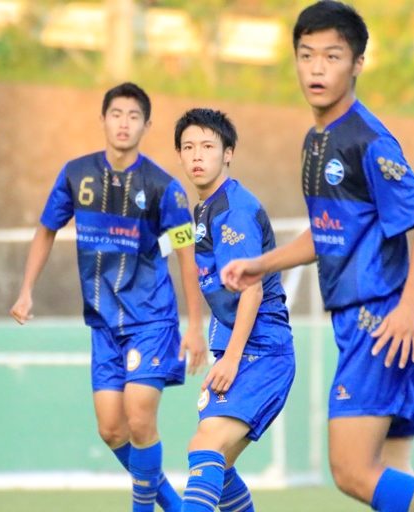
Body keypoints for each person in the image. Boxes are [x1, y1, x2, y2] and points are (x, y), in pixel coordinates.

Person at [221, 2, 414, 511]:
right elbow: (328, 232)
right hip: (367, 322)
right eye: (307, 55)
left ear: (357, 64)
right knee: (392, 476)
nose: (317, 68)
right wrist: (262, 264)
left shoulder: (368, 141)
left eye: (332, 56)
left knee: (351, 471)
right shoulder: (316, 141)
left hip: (382, 322)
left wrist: (408, 306)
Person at [10, 82, 207, 512]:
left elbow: (186, 253)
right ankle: (176, 507)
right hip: (103, 323)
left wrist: (195, 325)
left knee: (139, 416)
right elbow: (46, 229)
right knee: (112, 430)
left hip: (151, 319)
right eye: (116, 114)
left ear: (146, 126)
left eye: (134, 117)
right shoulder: (76, 175)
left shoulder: (164, 188)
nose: (124, 123)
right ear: (102, 119)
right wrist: (26, 290)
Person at [174, 108, 295, 512]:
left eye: (208, 146)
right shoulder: (203, 209)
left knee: (206, 446)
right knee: (216, 461)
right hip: (240, 347)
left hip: (262, 350)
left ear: (228, 154)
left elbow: (252, 290)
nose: (197, 155)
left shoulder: (233, 210)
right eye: (188, 147)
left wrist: (232, 358)